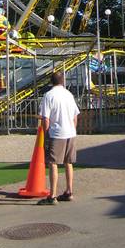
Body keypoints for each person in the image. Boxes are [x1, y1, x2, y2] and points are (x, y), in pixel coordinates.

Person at [38, 72, 80, 205]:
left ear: (51, 81)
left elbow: (45, 118)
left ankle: (53, 195)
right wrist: (73, 128)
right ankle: (69, 191)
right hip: (70, 132)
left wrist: (46, 133)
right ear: (63, 81)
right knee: (69, 162)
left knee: (53, 163)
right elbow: (75, 116)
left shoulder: (49, 95)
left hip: (56, 132)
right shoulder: (69, 94)